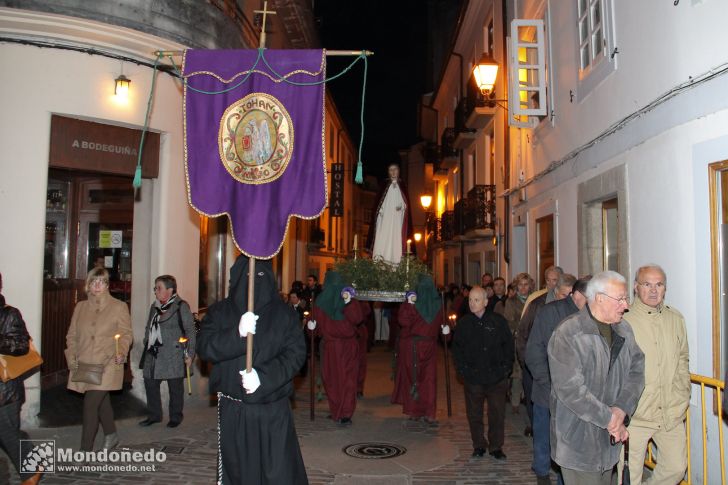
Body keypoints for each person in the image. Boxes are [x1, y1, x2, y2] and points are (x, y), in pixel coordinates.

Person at [196, 256, 307, 484]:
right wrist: (236, 334)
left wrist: (263, 378)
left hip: (273, 409)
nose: (253, 282)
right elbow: (205, 348)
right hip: (234, 408)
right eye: (246, 276)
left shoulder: (284, 314)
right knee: (238, 472)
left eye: (258, 276)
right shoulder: (219, 312)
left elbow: (296, 355)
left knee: (277, 472)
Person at [548, 271, 645, 485]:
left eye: (625, 298)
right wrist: (610, 419)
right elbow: (571, 390)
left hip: (609, 442)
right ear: (599, 298)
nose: (626, 305)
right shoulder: (568, 333)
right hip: (578, 442)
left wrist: (621, 410)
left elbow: (636, 372)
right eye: (620, 298)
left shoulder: (624, 329)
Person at [620, 264, 690, 484]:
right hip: (636, 416)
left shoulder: (675, 319)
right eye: (646, 284)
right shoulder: (623, 321)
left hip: (670, 412)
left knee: (676, 468)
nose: (653, 290)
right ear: (635, 287)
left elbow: (682, 359)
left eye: (658, 284)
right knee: (630, 476)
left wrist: (682, 394)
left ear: (665, 288)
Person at [525, 275, 590, 485]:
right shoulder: (549, 312)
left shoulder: (591, 315)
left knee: (568, 442)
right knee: (544, 435)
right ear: (578, 295)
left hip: (576, 392)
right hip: (548, 389)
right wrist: (548, 381)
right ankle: (542, 473)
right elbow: (534, 350)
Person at [65, 268, 132, 451]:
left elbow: (126, 334)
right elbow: (71, 335)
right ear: (88, 284)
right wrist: (72, 356)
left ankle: (85, 451)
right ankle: (111, 435)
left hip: (108, 362)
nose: (97, 285)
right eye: (93, 281)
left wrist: (122, 351)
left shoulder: (119, 307)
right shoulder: (80, 307)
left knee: (90, 405)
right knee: (102, 402)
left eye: (101, 282)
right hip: (86, 362)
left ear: (107, 285)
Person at [453, 286, 514, 460]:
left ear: (486, 302)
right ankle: (478, 444)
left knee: (496, 413)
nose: (472, 303)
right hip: (473, 377)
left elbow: (508, 346)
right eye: (470, 300)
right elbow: (457, 350)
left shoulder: (498, 321)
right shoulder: (464, 323)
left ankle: (496, 446)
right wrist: (463, 370)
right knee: (474, 414)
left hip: (496, 377)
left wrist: (505, 369)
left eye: (477, 300)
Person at [517, 273, 575, 436]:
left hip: (563, 374)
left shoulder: (576, 308)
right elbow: (523, 334)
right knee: (539, 410)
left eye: (571, 295)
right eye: (565, 295)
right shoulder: (538, 305)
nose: (569, 299)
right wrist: (529, 365)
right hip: (538, 368)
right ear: (556, 291)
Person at [139, 275, 196, 428]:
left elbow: (190, 330)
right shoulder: (154, 306)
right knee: (150, 382)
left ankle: (175, 416)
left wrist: (190, 354)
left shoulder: (181, 306)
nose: (156, 291)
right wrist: (147, 340)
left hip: (174, 353)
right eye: (155, 288)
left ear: (170, 290)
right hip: (154, 352)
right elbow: (148, 326)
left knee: (175, 387)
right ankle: (154, 415)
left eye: (159, 288)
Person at [0, 273, 41, 485]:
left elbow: (21, 346)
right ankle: (34, 464)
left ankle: (32, 471)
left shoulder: (9, 314)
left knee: (6, 431)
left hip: (5, 389)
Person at [310, 274, 365, 425]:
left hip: (332, 347)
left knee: (334, 379)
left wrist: (311, 328)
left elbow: (314, 328)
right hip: (344, 346)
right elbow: (358, 318)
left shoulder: (321, 302)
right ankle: (342, 412)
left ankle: (340, 411)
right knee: (345, 379)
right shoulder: (344, 300)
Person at [391, 276, 446, 424]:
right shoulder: (438, 304)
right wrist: (446, 332)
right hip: (429, 346)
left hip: (413, 346)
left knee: (413, 377)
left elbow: (403, 321)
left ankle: (415, 410)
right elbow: (444, 327)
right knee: (428, 379)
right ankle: (429, 412)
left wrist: (409, 305)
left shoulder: (414, 304)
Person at [495, 272, 534, 413]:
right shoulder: (511, 302)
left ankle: (528, 398)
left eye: (525, 284)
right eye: (520, 285)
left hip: (533, 340)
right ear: (516, 287)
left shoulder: (534, 300)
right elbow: (509, 322)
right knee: (517, 373)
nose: (523, 288)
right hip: (518, 340)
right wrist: (520, 329)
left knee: (530, 372)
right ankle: (515, 402)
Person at [366, 163, 414, 265]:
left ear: (398, 171)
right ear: (388, 172)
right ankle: (380, 261)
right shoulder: (384, 185)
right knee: (383, 237)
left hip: (397, 220)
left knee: (395, 240)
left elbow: (406, 205)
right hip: (385, 219)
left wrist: (402, 207)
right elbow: (378, 204)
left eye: (395, 169)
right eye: (390, 170)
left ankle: (395, 262)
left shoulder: (402, 186)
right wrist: (381, 211)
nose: (393, 172)